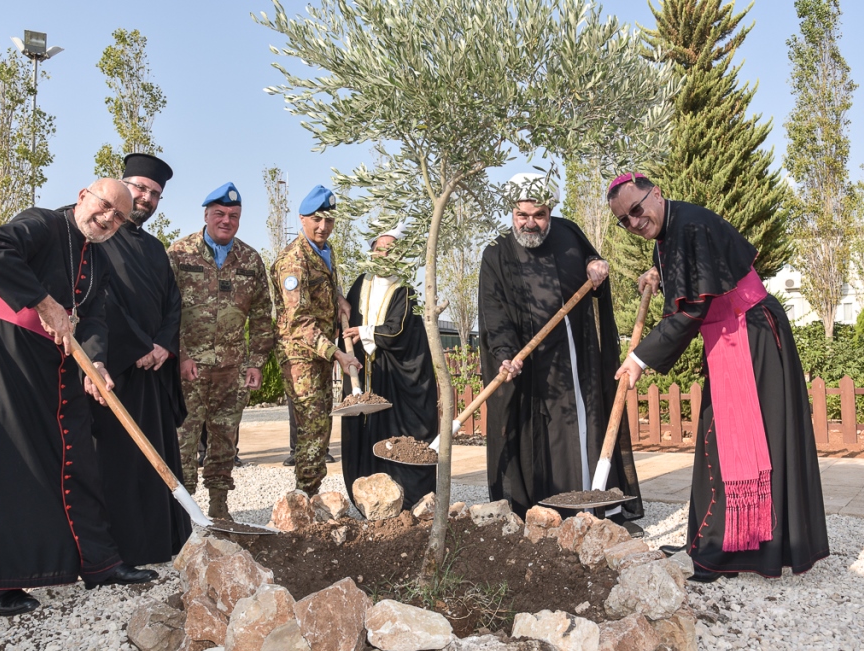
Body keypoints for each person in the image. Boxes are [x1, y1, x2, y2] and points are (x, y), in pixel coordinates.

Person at [0, 179, 158, 617]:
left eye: (120, 217)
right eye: (106, 206)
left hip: (52, 365)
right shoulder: (42, 222)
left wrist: (99, 362)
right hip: (2, 355)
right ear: (85, 195)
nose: (109, 219)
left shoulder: (99, 258)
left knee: (76, 458)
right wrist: (42, 301)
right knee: (7, 464)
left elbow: (93, 319)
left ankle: (100, 562)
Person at [608, 172, 829, 582]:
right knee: (724, 441)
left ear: (656, 193)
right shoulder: (671, 230)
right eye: (624, 220)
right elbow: (688, 276)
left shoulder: (689, 226)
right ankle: (724, 544)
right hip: (735, 335)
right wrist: (655, 275)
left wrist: (639, 358)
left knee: (742, 442)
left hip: (752, 335)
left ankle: (733, 549)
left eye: (637, 210)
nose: (635, 222)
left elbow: (691, 308)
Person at [478, 173, 644, 529]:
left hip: (574, 358)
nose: (530, 223)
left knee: (583, 429)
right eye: (522, 215)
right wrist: (506, 352)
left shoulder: (569, 234)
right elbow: (493, 311)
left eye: (538, 215)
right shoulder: (496, 252)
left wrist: (596, 268)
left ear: (550, 211)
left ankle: (595, 507)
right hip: (528, 364)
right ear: (511, 212)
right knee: (535, 437)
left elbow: (594, 271)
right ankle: (541, 514)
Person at [87, 154, 191, 566]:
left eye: (155, 194)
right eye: (141, 188)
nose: (146, 198)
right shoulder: (98, 237)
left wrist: (164, 344)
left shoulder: (154, 248)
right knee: (115, 462)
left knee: (158, 458)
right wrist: (138, 346)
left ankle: (162, 543)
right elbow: (100, 302)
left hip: (155, 373)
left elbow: (173, 302)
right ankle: (118, 552)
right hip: (115, 369)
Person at [169, 182, 274, 520]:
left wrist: (256, 361)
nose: (226, 220)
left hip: (231, 370)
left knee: (224, 439)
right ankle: (183, 513)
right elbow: (164, 310)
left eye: (234, 215)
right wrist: (180, 353)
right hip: (189, 369)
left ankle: (219, 508)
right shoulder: (179, 254)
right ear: (206, 215)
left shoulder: (250, 260)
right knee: (183, 439)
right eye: (220, 214)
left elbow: (261, 315)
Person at [271, 185, 361, 496]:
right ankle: (304, 500)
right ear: (302, 219)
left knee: (322, 429)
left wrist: (337, 298)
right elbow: (300, 322)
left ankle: (311, 496)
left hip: (321, 353)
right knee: (311, 430)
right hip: (301, 356)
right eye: (316, 219)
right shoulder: (294, 260)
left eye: (328, 220)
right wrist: (338, 354)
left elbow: (318, 289)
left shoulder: (324, 251)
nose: (323, 227)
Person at [339, 224, 437, 509]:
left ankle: (405, 502)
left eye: (391, 251)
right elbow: (347, 322)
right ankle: (366, 497)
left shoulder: (406, 289)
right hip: (365, 376)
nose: (385, 255)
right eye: (379, 249)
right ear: (372, 252)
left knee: (396, 437)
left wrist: (366, 332)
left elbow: (399, 331)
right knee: (363, 434)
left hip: (395, 379)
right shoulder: (361, 283)